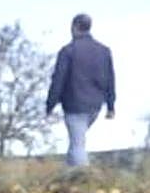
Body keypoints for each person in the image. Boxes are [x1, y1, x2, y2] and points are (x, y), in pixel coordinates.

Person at [46, 13, 115, 168]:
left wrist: (50, 105)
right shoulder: (104, 51)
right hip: (95, 106)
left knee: (77, 144)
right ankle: (71, 178)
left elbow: (58, 80)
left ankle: (82, 178)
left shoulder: (68, 51)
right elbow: (111, 79)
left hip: (74, 104)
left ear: (74, 27)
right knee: (76, 141)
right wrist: (110, 106)